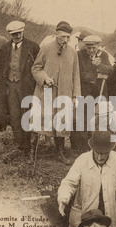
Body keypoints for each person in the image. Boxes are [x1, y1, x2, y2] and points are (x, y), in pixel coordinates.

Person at [57, 131, 116, 227]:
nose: (100, 157)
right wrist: (63, 198)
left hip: (110, 216)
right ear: (92, 148)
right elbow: (69, 183)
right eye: (98, 153)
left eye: (104, 154)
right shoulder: (82, 160)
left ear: (110, 150)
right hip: (84, 217)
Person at [31, 21, 81, 165]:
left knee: (62, 122)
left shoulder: (72, 53)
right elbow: (35, 68)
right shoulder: (46, 48)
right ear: (56, 34)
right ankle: (32, 153)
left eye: (68, 37)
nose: (65, 40)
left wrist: (75, 96)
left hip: (65, 93)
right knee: (39, 120)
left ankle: (59, 152)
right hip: (46, 92)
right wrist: (44, 78)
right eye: (63, 37)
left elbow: (75, 75)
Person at [0, 20, 40, 158]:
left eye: (19, 33)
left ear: (23, 31)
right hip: (10, 87)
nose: (17, 36)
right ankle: (19, 145)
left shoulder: (33, 47)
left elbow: (38, 67)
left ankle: (29, 147)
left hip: (26, 87)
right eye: (14, 34)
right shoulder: (5, 47)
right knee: (14, 117)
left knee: (27, 115)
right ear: (10, 35)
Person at [71, 34, 113, 153]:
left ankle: (98, 146)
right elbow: (80, 74)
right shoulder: (79, 55)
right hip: (85, 92)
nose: (91, 50)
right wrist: (93, 71)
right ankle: (83, 148)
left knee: (99, 119)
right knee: (83, 120)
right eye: (88, 47)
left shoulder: (103, 55)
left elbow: (110, 70)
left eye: (93, 48)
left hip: (100, 92)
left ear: (98, 46)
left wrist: (99, 65)